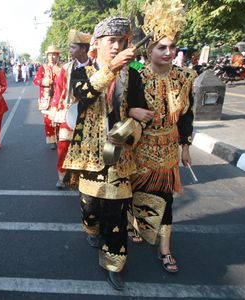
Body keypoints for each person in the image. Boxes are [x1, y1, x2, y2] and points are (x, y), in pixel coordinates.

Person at [62, 17, 150, 290]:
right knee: (90, 207)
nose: (116, 46)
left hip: (120, 154)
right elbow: (85, 94)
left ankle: (114, 262)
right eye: (111, 41)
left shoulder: (133, 74)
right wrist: (111, 68)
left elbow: (142, 112)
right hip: (88, 152)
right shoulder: (81, 72)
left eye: (121, 41)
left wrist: (134, 123)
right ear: (96, 44)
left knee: (116, 213)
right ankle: (90, 227)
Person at [128, 0, 196, 273]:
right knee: (137, 191)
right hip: (140, 146)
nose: (168, 53)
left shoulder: (186, 77)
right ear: (149, 49)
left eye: (172, 47)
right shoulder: (135, 75)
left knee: (165, 198)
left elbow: (187, 115)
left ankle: (165, 248)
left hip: (168, 146)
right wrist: (133, 110)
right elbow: (120, 109)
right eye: (162, 47)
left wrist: (185, 145)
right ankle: (137, 224)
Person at [51, 29, 91, 189]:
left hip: (89, 114)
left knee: (85, 146)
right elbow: (59, 89)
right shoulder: (66, 68)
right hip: (68, 113)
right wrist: (55, 108)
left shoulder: (96, 67)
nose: (70, 50)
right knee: (63, 146)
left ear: (83, 49)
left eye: (73, 47)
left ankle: (83, 177)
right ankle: (62, 177)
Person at [33, 45, 61, 149]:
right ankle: (51, 140)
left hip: (58, 97)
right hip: (46, 98)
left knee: (58, 119)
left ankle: (59, 138)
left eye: (54, 54)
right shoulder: (42, 68)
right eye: (50, 54)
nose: (52, 57)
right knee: (48, 120)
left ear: (57, 56)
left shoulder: (62, 67)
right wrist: (45, 81)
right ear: (47, 56)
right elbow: (36, 80)